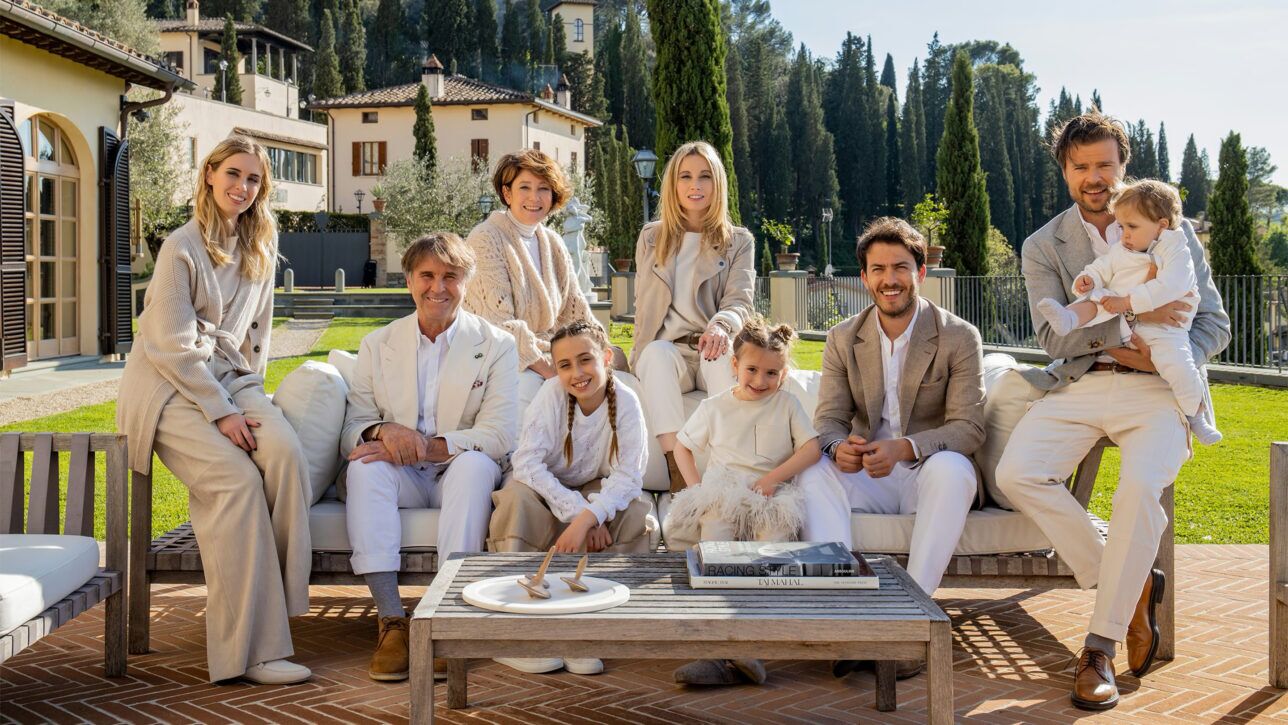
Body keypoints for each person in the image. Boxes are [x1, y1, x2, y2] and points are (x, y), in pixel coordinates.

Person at [996, 111, 1230, 712]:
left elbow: (1213, 323)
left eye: (1105, 164)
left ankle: (1098, 647)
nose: (1095, 177)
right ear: (1066, 172)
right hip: (1080, 382)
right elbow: (1055, 338)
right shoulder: (1043, 245)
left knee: (1138, 490)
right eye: (1082, 167)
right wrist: (1129, 326)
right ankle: (1132, 584)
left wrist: (1165, 355)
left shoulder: (1171, 229)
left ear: (1123, 165)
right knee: (1017, 474)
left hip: (1157, 388)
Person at [116, 136, 313, 685]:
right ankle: (251, 652)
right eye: (233, 174)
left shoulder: (262, 243)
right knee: (237, 484)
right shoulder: (180, 246)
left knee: (284, 453)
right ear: (209, 174)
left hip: (230, 376)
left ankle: (275, 604)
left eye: (253, 179)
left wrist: (250, 395)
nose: (241, 187)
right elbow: (170, 345)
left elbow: (258, 333)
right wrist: (221, 410)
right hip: (168, 385)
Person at [797, 216, 985, 681]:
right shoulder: (843, 337)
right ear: (864, 278)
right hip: (870, 474)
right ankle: (846, 620)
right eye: (878, 270)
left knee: (953, 469)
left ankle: (910, 624)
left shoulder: (958, 336)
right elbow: (829, 420)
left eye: (900, 267)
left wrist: (905, 448)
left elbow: (968, 429)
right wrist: (838, 447)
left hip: (927, 472)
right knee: (813, 471)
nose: (889, 280)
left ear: (920, 272)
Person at [341, 232, 518, 683]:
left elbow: (500, 433)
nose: (438, 287)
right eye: (427, 275)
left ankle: (447, 617)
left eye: (450, 277)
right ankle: (391, 621)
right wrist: (384, 431)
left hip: (458, 466)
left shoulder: (496, 344)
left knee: (475, 466)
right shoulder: (378, 343)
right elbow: (354, 426)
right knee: (364, 467)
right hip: (402, 473)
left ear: (467, 283)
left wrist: (428, 445)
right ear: (408, 280)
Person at [487, 320, 653, 675]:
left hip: (593, 486)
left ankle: (588, 632)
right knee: (515, 502)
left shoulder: (626, 401)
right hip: (540, 485)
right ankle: (513, 636)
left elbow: (629, 476)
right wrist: (580, 514)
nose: (577, 373)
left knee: (638, 512)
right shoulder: (551, 395)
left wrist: (591, 517)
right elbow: (526, 464)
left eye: (585, 360)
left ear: (606, 357)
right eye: (565, 365)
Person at [663, 315, 822, 686]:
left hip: (769, 494)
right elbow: (682, 447)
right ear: (734, 365)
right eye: (752, 369)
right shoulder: (715, 407)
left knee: (773, 548)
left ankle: (752, 645)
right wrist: (698, 489)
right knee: (716, 545)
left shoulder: (787, 405)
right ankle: (716, 650)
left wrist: (771, 480)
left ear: (783, 374)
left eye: (771, 373)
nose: (760, 381)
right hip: (724, 493)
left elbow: (811, 449)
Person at [1036, 179, 1220, 444]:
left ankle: (1196, 414)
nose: (1124, 234)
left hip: (1165, 330)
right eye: (1121, 227)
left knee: (1179, 365)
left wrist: (1128, 303)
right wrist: (1088, 278)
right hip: (1119, 313)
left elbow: (1171, 285)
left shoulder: (1176, 250)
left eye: (1131, 227)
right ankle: (1069, 318)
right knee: (1095, 300)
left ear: (1162, 225)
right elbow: (1105, 265)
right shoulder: (1125, 247)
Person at [631, 141, 756, 493]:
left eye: (705, 176)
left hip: (711, 345)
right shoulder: (651, 238)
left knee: (720, 356)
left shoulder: (739, 241)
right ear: (673, 184)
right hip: (669, 352)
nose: (695, 185)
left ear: (718, 183)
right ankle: (677, 472)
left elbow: (740, 301)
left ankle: (726, 473)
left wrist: (721, 325)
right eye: (685, 176)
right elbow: (643, 306)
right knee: (656, 353)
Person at [464, 149, 597, 413]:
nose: (534, 197)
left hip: (554, 354)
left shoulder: (553, 242)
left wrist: (601, 349)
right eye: (525, 187)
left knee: (619, 382)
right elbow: (500, 327)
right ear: (507, 193)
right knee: (543, 390)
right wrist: (553, 371)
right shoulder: (485, 238)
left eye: (543, 188)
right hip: (501, 359)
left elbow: (577, 312)